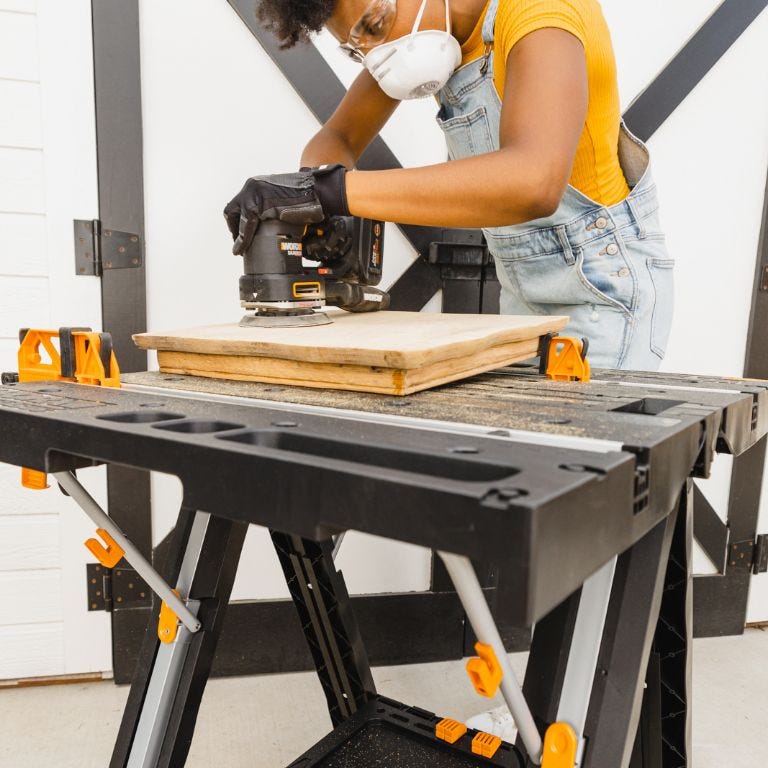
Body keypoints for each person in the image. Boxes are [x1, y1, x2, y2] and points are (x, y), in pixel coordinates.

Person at [225, 0, 675, 371]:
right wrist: (323, 211)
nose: (379, 57)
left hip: (602, 291)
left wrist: (333, 193)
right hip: (524, 302)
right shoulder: (436, 33)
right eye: (357, 51)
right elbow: (336, 139)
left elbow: (534, 182)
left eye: (376, 25)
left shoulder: (543, 13)